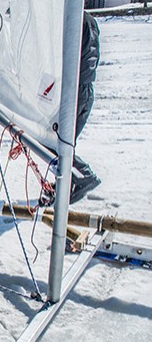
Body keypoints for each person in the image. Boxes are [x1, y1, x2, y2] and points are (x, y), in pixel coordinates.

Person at [68, 11, 101, 204]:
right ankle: (69, 180)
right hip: (81, 89)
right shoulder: (87, 20)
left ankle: (85, 177)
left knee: (56, 144)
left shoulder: (77, 20)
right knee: (60, 143)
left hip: (77, 91)